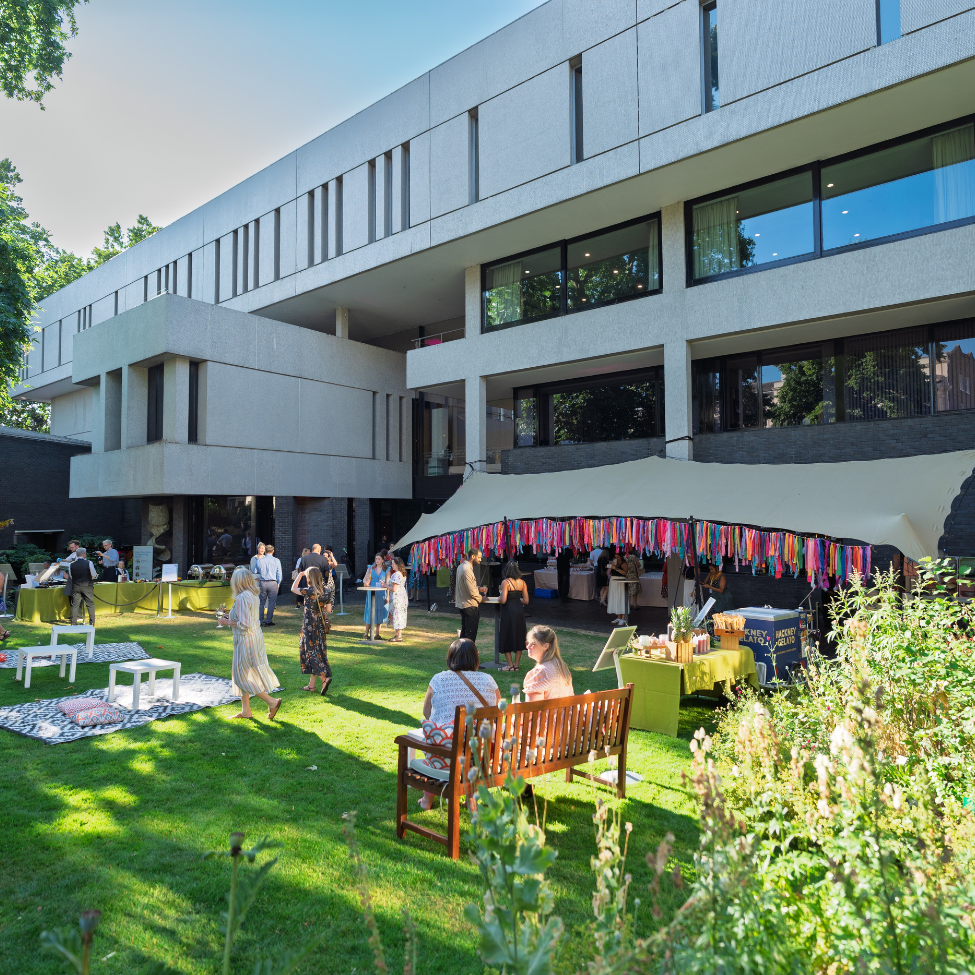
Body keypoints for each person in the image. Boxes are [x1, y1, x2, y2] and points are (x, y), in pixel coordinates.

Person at [417, 637, 500, 809]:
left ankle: (427, 800)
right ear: (475, 657)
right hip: (483, 754)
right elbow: (497, 712)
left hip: (447, 754)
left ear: (450, 657)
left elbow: (426, 712)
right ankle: (471, 799)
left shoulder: (439, 679)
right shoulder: (489, 680)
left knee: (436, 746)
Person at [217, 567, 282, 720]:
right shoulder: (252, 595)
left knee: (241, 676)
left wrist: (227, 622)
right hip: (253, 637)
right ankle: (246, 711)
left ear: (237, 581)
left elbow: (244, 624)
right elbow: (246, 618)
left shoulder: (242, 597)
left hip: (246, 639)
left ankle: (272, 701)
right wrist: (230, 616)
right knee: (242, 672)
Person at [291, 565, 334, 694]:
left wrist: (300, 575)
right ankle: (311, 685)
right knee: (317, 651)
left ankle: (324, 679)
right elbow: (328, 610)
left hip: (310, 625)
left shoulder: (309, 591)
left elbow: (293, 588)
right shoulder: (326, 590)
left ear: (310, 578)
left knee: (310, 653)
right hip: (320, 625)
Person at [523, 625, 574, 702]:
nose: (528, 646)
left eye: (533, 644)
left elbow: (531, 711)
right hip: (566, 713)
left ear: (546, 646)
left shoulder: (539, 673)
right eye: (527, 643)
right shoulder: (561, 666)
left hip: (549, 714)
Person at [499, 561, 529, 671]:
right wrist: (517, 600)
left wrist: (498, 598)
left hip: (508, 612)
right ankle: (516, 665)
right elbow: (526, 601)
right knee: (519, 636)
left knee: (506, 635)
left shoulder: (505, 582)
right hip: (519, 612)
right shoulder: (523, 582)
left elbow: (503, 600)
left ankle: (510, 665)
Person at [455, 549, 487, 642]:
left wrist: (478, 588)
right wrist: (482, 599)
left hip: (464, 605)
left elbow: (467, 585)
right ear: (473, 556)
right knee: (470, 636)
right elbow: (471, 591)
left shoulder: (461, 566)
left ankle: (461, 654)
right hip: (470, 605)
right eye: (479, 557)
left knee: (464, 634)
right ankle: (467, 655)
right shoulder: (467, 569)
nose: (480, 560)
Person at [65, 547, 97, 625]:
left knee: (75, 605)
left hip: (76, 586)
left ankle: (73, 623)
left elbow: (71, 576)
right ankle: (92, 622)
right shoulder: (89, 562)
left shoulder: (71, 564)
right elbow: (93, 574)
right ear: (84, 554)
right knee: (90, 604)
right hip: (87, 585)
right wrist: (90, 578)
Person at [253, 544, 283, 626]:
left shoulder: (259, 561)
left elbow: (255, 571)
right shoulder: (276, 561)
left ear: (265, 551)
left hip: (263, 582)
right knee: (271, 603)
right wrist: (278, 583)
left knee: (261, 602)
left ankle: (260, 620)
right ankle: (268, 621)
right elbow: (279, 574)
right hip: (273, 582)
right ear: (273, 551)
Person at [362, 552, 389, 639]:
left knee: (379, 611)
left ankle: (377, 633)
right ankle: (366, 633)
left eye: (379, 559)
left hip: (381, 593)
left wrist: (388, 596)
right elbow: (365, 578)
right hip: (371, 592)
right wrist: (366, 582)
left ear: (382, 560)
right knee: (370, 610)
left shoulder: (387, 570)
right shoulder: (370, 568)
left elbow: (388, 584)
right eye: (376, 559)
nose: (377, 561)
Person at [386, 556, 409, 642]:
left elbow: (394, 588)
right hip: (401, 597)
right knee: (397, 615)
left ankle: (398, 636)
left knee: (396, 615)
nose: (392, 565)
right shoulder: (402, 573)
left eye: (393, 563)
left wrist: (385, 585)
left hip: (397, 598)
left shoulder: (396, 574)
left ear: (397, 564)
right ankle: (398, 635)